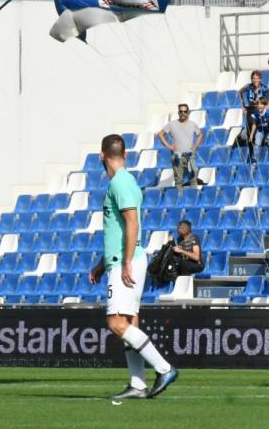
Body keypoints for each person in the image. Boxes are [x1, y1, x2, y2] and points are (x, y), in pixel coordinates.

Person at [90, 134, 177, 400]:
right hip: (120, 260)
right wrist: (100, 267)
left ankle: (164, 368)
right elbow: (118, 231)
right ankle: (138, 384)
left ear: (102, 155)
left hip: (127, 262)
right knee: (128, 322)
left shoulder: (121, 182)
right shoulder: (122, 182)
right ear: (125, 154)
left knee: (116, 323)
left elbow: (132, 224)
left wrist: (125, 262)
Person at [158, 103, 203, 189]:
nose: (183, 113)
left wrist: (196, 145)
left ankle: (193, 200)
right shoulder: (171, 124)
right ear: (178, 112)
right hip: (177, 156)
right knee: (178, 181)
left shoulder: (193, 124)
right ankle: (180, 200)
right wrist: (169, 146)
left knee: (193, 178)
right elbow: (160, 134)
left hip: (190, 155)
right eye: (181, 111)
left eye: (185, 111)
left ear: (188, 112)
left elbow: (200, 135)